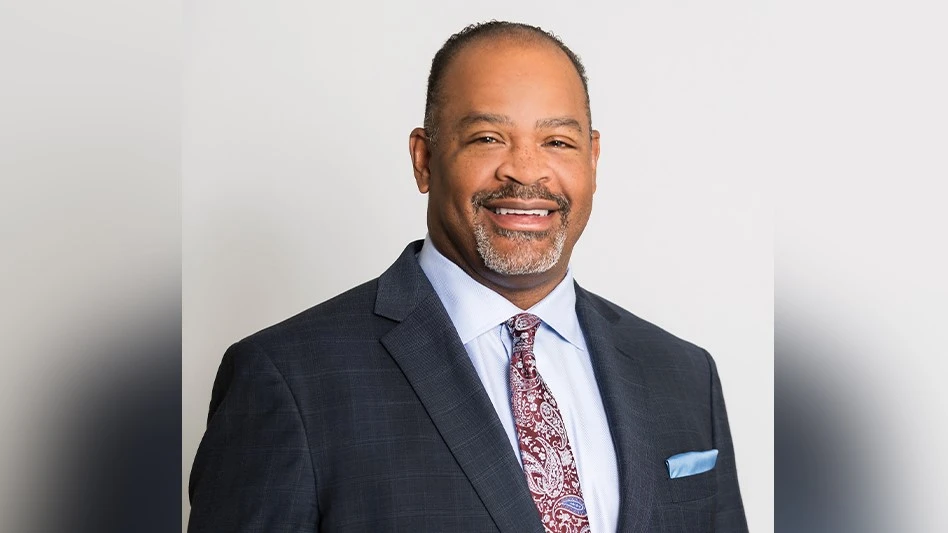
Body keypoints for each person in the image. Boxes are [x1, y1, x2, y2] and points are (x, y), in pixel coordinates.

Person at [188, 21, 748, 533]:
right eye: (487, 138)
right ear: (424, 159)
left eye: (557, 141)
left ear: (592, 160)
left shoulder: (682, 374)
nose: (525, 171)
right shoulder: (289, 379)